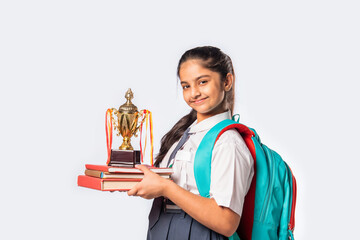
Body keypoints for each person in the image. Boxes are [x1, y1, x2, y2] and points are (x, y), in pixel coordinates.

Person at [128, 46, 254, 240]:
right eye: (186, 86)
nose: (194, 93)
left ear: (227, 81)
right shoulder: (184, 134)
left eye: (202, 82)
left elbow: (226, 222)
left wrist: (165, 187)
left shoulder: (228, 143)